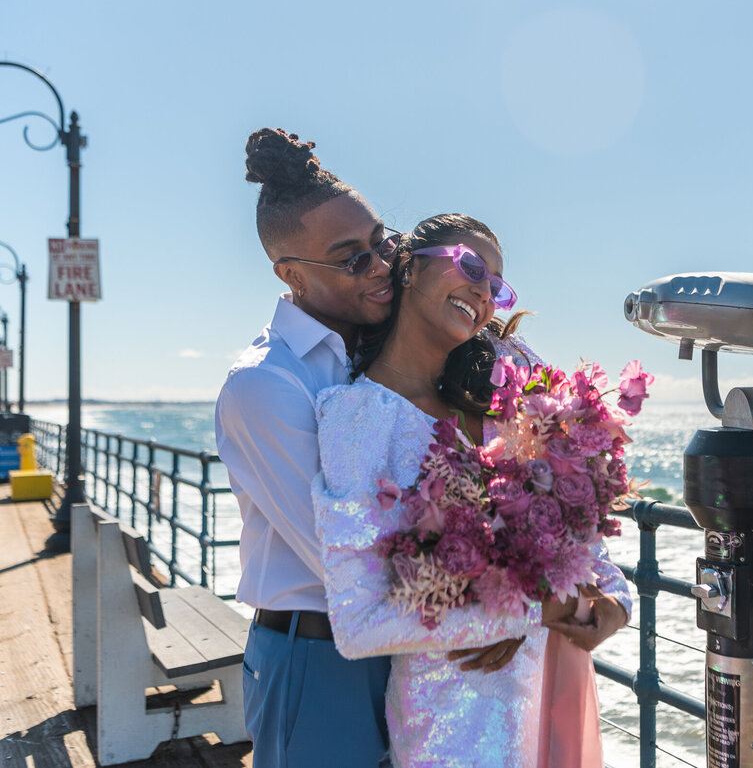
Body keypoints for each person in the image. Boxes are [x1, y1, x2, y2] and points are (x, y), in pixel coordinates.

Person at [311, 213, 632, 767]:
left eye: (496, 286)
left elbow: (568, 521)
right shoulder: (356, 417)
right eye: (471, 267)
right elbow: (359, 621)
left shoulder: (503, 382)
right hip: (451, 719)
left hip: (551, 677)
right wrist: (530, 612)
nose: (484, 293)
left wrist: (615, 600)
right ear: (408, 269)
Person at [215, 128, 399, 767]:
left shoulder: (381, 352)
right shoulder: (266, 384)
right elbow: (341, 556)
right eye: (352, 259)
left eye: (384, 243)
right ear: (289, 273)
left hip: (407, 648)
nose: (380, 268)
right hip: (318, 658)